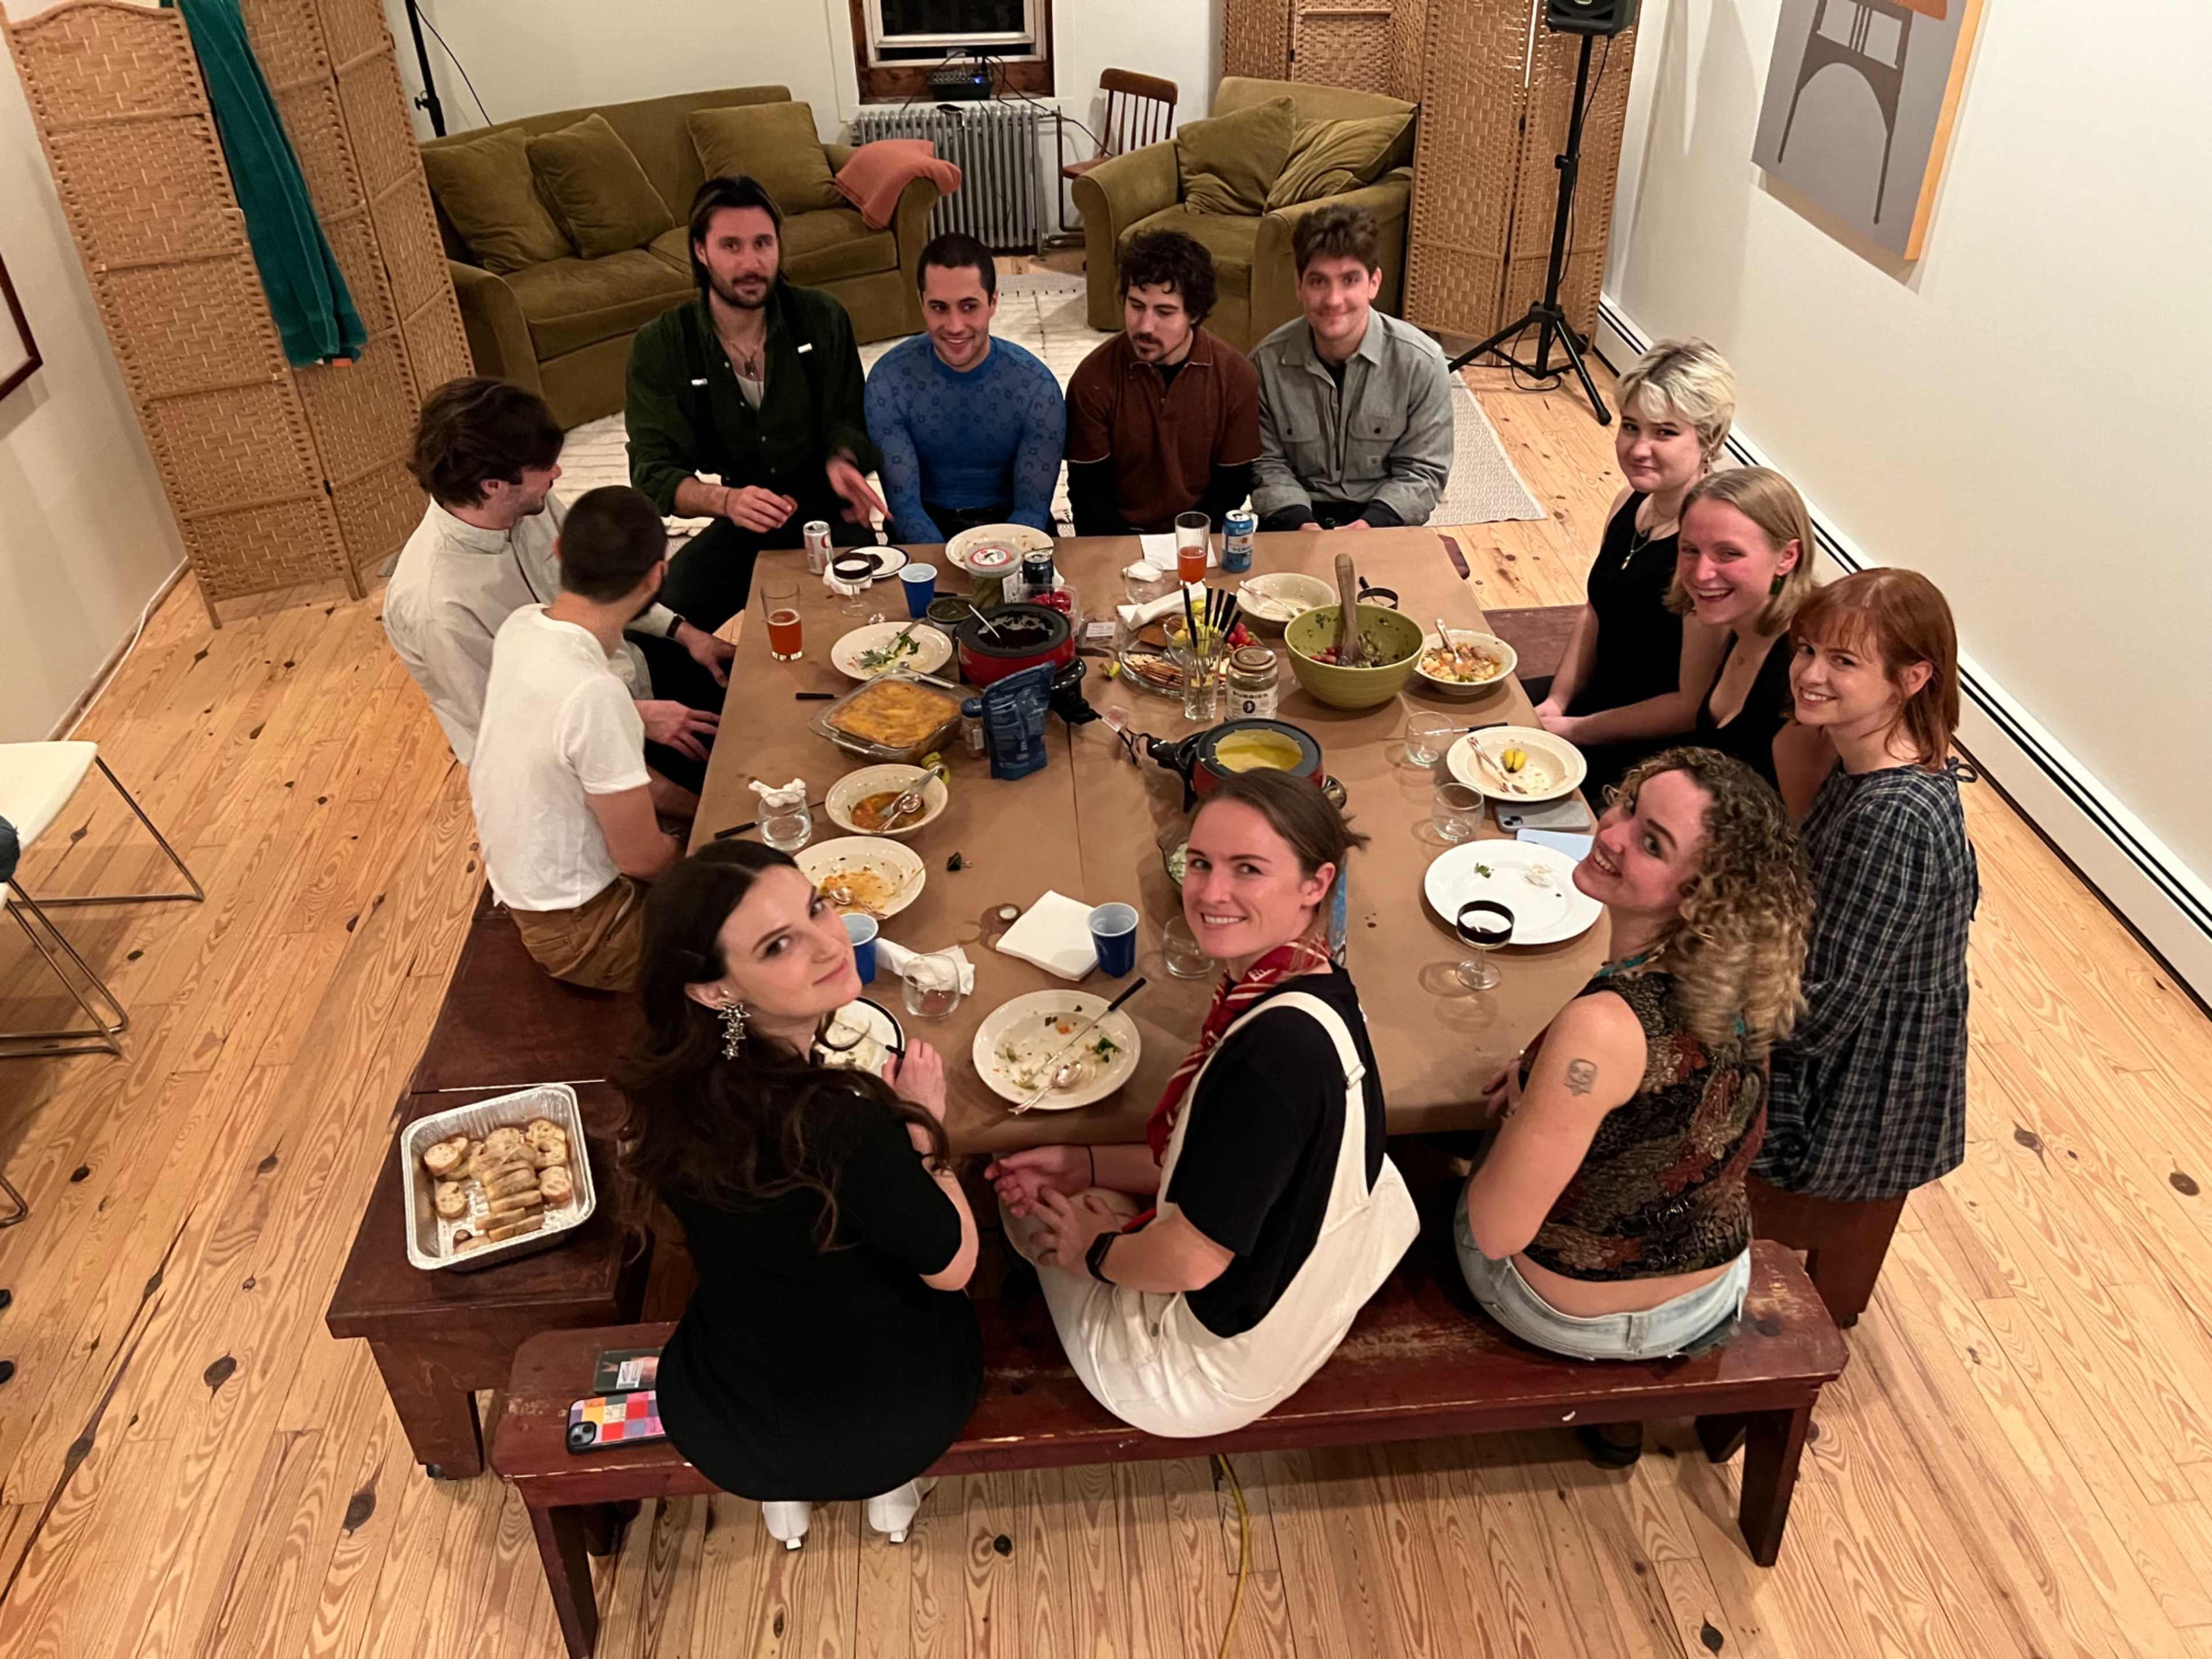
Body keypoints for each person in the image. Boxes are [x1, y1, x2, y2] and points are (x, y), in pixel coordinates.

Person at [984, 771, 1418, 1438]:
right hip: (1304, 1296)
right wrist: (1084, 1162)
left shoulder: (1271, 1062)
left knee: (1023, 1209)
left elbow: (1191, 1260)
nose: (1212, 893)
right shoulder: (1315, 982)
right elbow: (1225, 1164)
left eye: (1249, 869)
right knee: (1077, 1187)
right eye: (1201, 863)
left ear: (1316, 883)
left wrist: (1092, 1250)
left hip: (1204, 1374)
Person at [618, 841, 980, 1549]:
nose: (830, 944)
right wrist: (922, 1130)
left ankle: (785, 1504)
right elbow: (955, 1265)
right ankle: (890, 1496)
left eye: (817, 908)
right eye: (779, 945)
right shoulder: (842, 1123)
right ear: (714, 989)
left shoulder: (667, 1087)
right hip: (893, 1419)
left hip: (730, 1417)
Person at [1459, 748, 1812, 1461]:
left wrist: (1528, 1109)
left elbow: (1496, 1232)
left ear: (1701, 896)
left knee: (1429, 1170)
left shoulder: (1602, 1031)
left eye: (1652, 843)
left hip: (1571, 1314)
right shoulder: (1745, 974)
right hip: (1712, 1291)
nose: (1611, 833)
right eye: (1626, 806)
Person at [1755, 570, 1979, 1317]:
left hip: (1848, 1105)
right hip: (1839, 1047)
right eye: (1807, 650)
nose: (1810, 674)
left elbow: (1819, 1016)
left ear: (1913, 678)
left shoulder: (1894, 817)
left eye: (1844, 661)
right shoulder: (1861, 760)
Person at [382, 377, 730, 793]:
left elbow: (601, 583)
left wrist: (686, 633)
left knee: (754, 716)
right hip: (564, 759)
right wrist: (635, 718)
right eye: (544, 466)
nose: (558, 472)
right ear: (492, 485)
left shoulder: (529, 503)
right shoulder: (436, 605)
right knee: (728, 803)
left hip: (622, 685)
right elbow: (515, 727)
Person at [626, 176, 888, 632]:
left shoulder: (822, 317)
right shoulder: (663, 345)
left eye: (763, 244)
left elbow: (850, 419)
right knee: (660, 629)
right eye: (731, 246)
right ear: (701, 250)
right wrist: (725, 501)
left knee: (862, 623)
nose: (751, 263)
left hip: (829, 515)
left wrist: (843, 461)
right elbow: (652, 471)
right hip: (740, 514)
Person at [469, 487, 687, 990]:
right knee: (765, 931)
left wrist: (706, 813)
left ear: (559, 550)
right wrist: (709, 866)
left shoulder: (522, 626)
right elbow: (642, 859)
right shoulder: (596, 692)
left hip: (540, 898)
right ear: (657, 576)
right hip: (585, 932)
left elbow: (623, 782)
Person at [1530, 340, 1737, 801]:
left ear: (1709, 440)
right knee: (1473, 722)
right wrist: (1557, 702)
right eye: (1630, 427)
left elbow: (1687, 706)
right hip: (1592, 702)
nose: (1639, 449)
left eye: (1665, 433)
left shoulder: (1708, 548)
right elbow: (1595, 610)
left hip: (1653, 743)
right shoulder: (1630, 499)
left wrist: (1575, 729)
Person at [1249, 204, 1454, 532]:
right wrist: (1301, 524)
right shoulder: (1264, 364)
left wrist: (1369, 526)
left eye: (1349, 280)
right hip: (1294, 519)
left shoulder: (1423, 363)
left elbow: (1423, 472)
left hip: (1385, 520)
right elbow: (1266, 464)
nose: (1334, 300)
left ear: (1374, 283)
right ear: (1299, 286)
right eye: (1319, 281)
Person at [863, 233, 1064, 544]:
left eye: (969, 307)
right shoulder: (888, 381)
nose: (955, 326)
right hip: (923, 527)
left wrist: (992, 561)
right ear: (921, 303)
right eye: (939, 308)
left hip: (1013, 527)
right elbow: (905, 508)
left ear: (993, 302)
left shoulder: (1037, 388)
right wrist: (946, 562)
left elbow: (1032, 509)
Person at [1065, 230, 1262, 537]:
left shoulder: (1236, 377)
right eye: (1136, 306)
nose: (1145, 326)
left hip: (1201, 533)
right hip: (1116, 537)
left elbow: (1232, 486)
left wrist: (1187, 544)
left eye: (1164, 312)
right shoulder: (1092, 380)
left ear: (1195, 313)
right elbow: (1088, 497)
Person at [1668, 467, 1824, 798]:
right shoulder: (1735, 621)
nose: (1701, 573)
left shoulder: (1808, 668)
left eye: (1729, 553)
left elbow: (1799, 822)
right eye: (1690, 550)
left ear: (1787, 557)